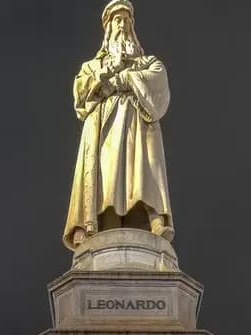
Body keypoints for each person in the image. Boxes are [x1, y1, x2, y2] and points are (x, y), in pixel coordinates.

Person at [63, 0, 173, 250]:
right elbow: (80, 96)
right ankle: (102, 223)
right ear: (108, 28)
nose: (121, 24)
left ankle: (153, 216)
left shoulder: (148, 63)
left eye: (125, 20)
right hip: (105, 131)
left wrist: (124, 77)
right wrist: (104, 76)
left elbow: (158, 83)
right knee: (107, 178)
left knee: (142, 173)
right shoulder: (92, 67)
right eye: (117, 20)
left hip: (139, 128)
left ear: (132, 26)